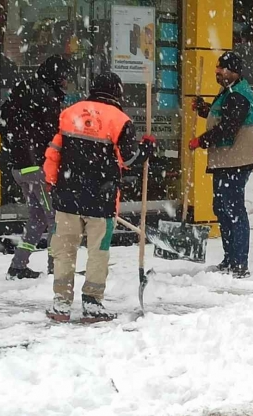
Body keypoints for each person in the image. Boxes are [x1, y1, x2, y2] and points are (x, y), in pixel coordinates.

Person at [43, 72, 156, 323]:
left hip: (67, 197)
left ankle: (61, 303)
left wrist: (52, 183)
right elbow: (129, 161)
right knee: (98, 252)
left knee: (64, 252)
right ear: (117, 92)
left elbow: (53, 153)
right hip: (100, 200)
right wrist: (147, 148)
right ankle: (92, 303)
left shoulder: (69, 113)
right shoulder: (120, 120)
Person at [190, 51, 253, 278]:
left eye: (222, 69)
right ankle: (230, 258)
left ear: (234, 72)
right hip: (229, 161)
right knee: (222, 207)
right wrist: (203, 109)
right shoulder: (230, 91)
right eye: (217, 69)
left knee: (233, 210)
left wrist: (201, 141)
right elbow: (221, 115)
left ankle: (239, 262)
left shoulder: (238, 95)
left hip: (236, 161)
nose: (217, 73)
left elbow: (227, 128)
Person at [2, 55, 71, 280]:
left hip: (19, 167)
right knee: (54, 219)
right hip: (37, 168)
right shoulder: (47, 97)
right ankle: (56, 268)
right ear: (57, 77)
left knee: (38, 218)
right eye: (65, 78)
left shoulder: (22, 91)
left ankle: (18, 266)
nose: (66, 83)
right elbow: (53, 133)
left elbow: (6, 124)